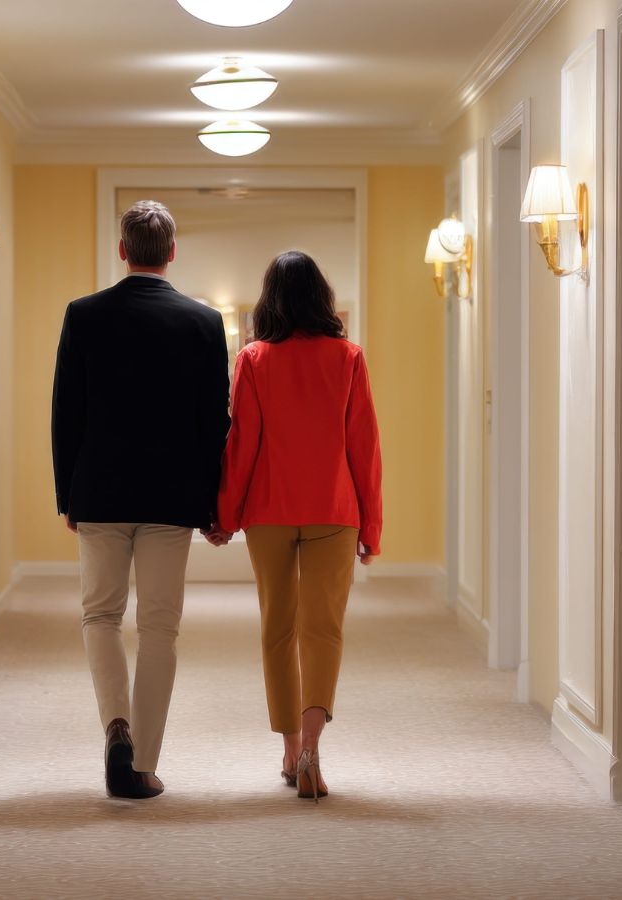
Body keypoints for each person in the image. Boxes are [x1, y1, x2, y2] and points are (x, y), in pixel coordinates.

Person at [51, 200, 231, 800]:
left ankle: (117, 728)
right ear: (172, 252)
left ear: (123, 251)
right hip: (171, 496)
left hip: (99, 491)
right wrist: (211, 501)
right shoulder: (204, 323)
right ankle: (143, 763)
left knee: (100, 616)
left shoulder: (84, 315)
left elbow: (65, 414)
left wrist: (66, 495)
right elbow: (215, 423)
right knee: (159, 627)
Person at [215, 250, 383, 803]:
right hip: (334, 509)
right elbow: (365, 449)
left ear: (271, 299)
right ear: (321, 296)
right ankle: (313, 747)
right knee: (323, 629)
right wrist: (372, 526)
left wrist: (226, 512)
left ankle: (289, 752)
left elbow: (242, 445)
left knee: (278, 628)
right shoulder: (349, 357)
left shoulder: (255, 359)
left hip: (269, 509)